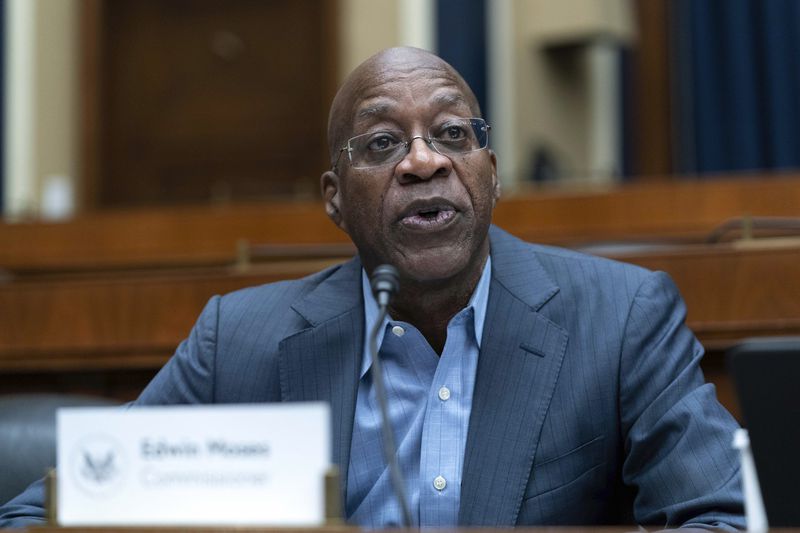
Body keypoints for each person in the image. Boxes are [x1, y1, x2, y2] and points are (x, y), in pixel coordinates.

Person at [0, 47, 743, 529]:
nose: (424, 162)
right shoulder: (241, 340)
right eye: (383, 143)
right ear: (334, 198)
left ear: (490, 170)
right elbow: (49, 510)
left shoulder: (620, 319)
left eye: (453, 134)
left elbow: (716, 516)